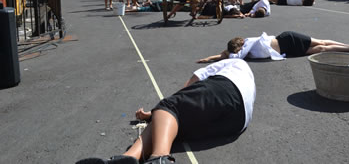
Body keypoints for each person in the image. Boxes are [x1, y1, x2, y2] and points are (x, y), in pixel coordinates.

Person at [76, 59, 256, 164]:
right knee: (167, 127)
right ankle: (129, 157)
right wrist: (157, 115)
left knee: (170, 107)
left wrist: (163, 108)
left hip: (229, 88)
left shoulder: (233, 62)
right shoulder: (245, 72)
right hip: (237, 122)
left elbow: (193, 82)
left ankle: (159, 158)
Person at [197, 31, 349, 63]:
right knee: (321, 49)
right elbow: (226, 55)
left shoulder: (249, 42)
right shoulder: (243, 54)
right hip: (288, 50)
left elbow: (226, 54)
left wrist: (211, 58)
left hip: (287, 38)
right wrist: (207, 59)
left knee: (322, 42)